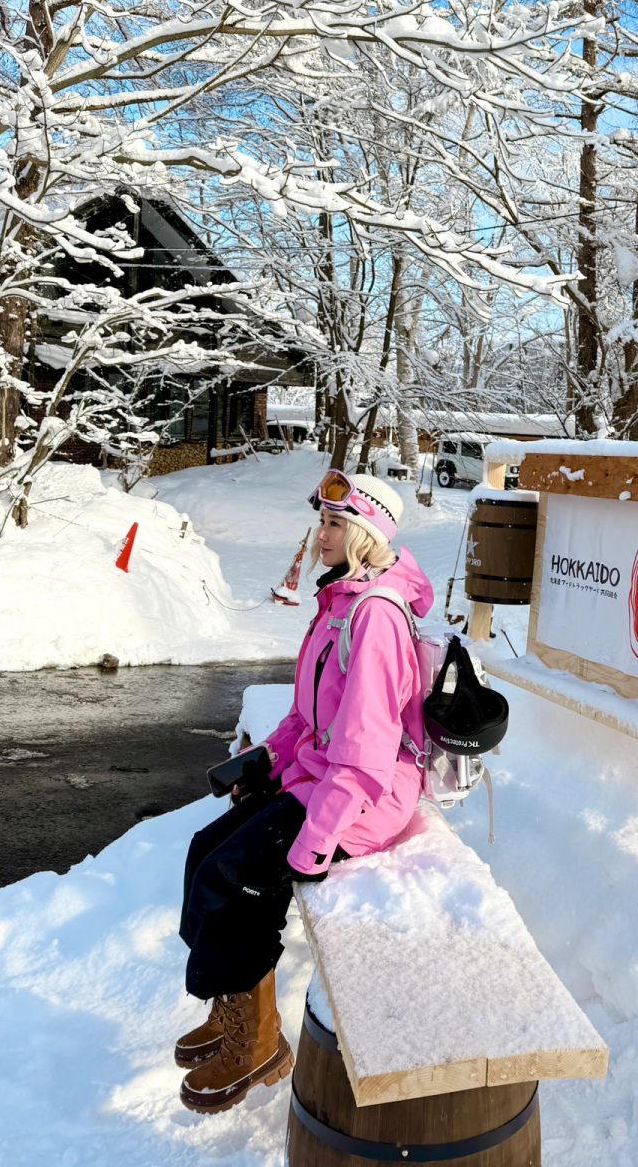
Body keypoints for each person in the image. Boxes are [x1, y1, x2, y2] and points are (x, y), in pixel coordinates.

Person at [175, 470, 434, 1114]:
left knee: (236, 877)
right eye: (321, 520)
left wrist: (315, 843)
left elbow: (368, 751)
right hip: (324, 775)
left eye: (334, 524)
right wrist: (266, 759)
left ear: (366, 535)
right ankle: (236, 1001)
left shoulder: (374, 618)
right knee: (204, 850)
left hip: (362, 799)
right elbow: (309, 717)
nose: (320, 535)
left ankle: (258, 1042)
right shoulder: (340, 603)